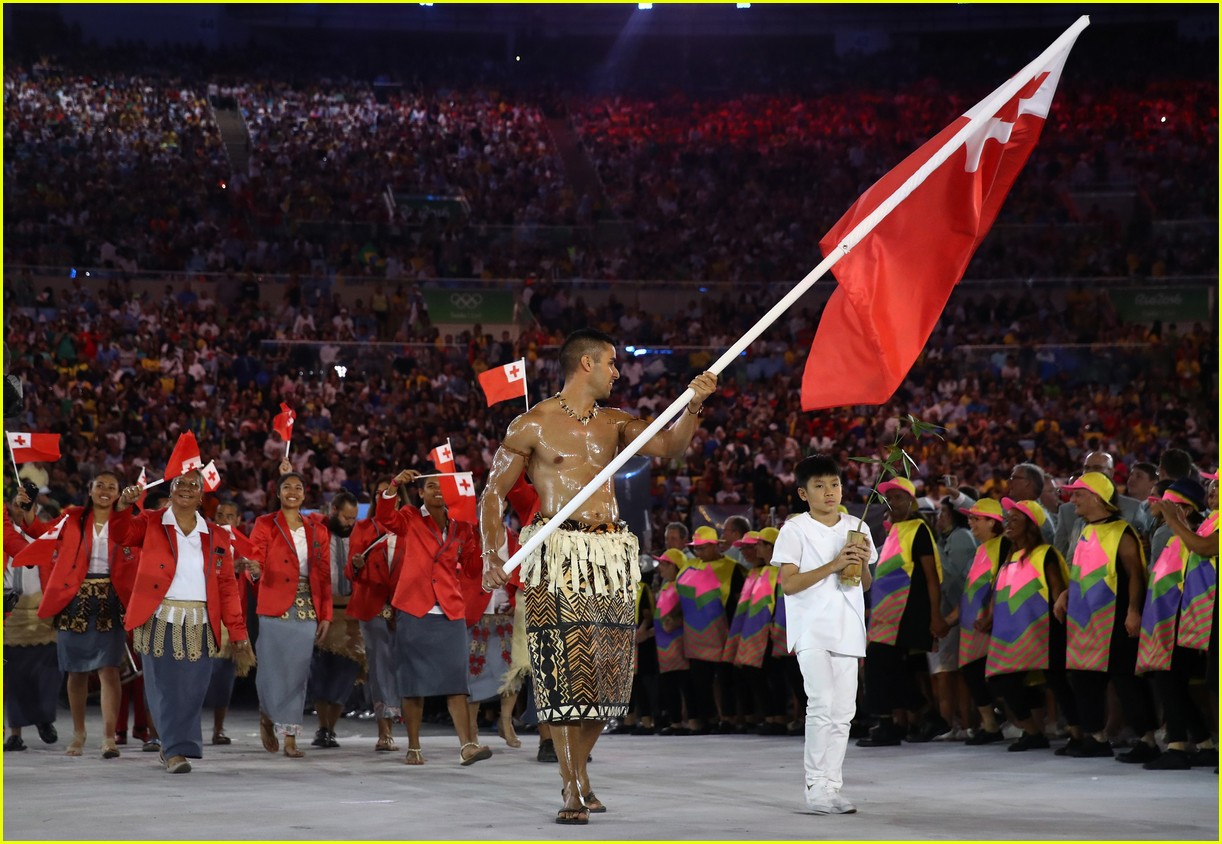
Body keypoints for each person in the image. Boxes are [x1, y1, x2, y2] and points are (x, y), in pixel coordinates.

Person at [480, 327, 717, 824]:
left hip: (609, 558)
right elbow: (492, 495)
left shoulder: (615, 423)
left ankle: (580, 773)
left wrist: (694, 404)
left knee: (605, 682)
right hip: (558, 555)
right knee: (565, 678)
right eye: (611, 363)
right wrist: (491, 554)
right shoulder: (532, 424)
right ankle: (571, 785)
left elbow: (670, 445)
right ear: (585, 363)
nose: (617, 371)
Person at [111, 471, 251, 773]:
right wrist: (122, 507)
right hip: (159, 618)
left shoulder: (217, 534)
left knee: (193, 690)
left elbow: (227, 585)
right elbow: (121, 535)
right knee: (164, 688)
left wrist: (238, 632)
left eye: (194, 486)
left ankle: (173, 746)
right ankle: (175, 751)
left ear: (203, 497)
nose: (186, 488)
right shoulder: (150, 522)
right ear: (171, 491)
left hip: (201, 622)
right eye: (180, 484)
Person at [771, 454, 876, 814]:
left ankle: (832, 786)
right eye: (819, 486)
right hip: (811, 627)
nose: (829, 492)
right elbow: (789, 584)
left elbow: (864, 584)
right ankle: (816, 787)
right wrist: (833, 563)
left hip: (848, 627)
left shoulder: (856, 527)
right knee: (822, 703)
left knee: (844, 711)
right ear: (803, 492)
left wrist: (858, 561)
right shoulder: (795, 530)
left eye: (834, 484)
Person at [376, 469, 490, 767]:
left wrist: (478, 536)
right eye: (430, 486)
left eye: (443, 486)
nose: (437, 490)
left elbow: (472, 569)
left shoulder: (461, 528)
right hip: (415, 610)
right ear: (421, 493)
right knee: (414, 684)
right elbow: (386, 519)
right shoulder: (411, 517)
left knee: (457, 683)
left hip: (450, 613)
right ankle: (413, 746)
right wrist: (393, 486)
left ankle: (467, 746)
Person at [35, 470, 136, 759]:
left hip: (111, 598)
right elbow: (40, 534)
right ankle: (78, 734)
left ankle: (109, 737)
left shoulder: (126, 518)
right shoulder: (72, 516)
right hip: (74, 598)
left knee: (109, 669)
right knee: (76, 669)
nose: (105, 490)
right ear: (89, 489)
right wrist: (26, 510)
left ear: (119, 492)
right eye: (99, 485)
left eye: (111, 486)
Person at [1054, 471, 1154, 760]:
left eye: (1078, 494)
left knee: (1125, 681)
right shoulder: (1085, 529)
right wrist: (1065, 595)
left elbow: (1136, 574)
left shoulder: (1121, 531)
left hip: (1116, 617)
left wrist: (1133, 611)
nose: (1073, 500)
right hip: (1085, 620)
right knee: (1085, 679)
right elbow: (1080, 572)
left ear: (1097, 497)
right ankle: (1095, 738)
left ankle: (1147, 740)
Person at [248, 467, 333, 759]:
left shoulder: (317, 528)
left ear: (305, 494)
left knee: (298, 673)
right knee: (271, 671)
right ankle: (266, 715)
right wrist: (255, 570)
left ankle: (290, 737)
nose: (293, 492)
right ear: (278, 493)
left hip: (306, 607)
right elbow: (254, 555)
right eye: (287, 487)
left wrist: (326, 615)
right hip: (273, 604)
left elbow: (323, 574)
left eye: (298, 487)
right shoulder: (265, 523)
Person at [857, 476, 946, 747]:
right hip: (887, 615)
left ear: (911, 501)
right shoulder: (892, 533)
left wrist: (935, 615)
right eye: (889, 498)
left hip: (907, 612)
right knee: (890, 668)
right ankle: (911, 718)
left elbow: (931, 576)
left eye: (898, 497)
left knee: (879, 662)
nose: (893, 503)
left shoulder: (918, 528)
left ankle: (893, 722)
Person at [984, 499, 1073, 753]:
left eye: (1015, 519)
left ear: (1031, 525)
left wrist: (1060, 611)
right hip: (1012, 637)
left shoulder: (1045, 554)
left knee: (1057, 683)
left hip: (1045, 630)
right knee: (1003, 681)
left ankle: (1078, 733)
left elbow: (1057, 589)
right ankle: (1033, 731)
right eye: (1007, 518)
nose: (1007, 523)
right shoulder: (1009, 556)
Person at [1137, 479, 1214, 769]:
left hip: (1177, 621)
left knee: (1171, 681)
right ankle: (1203, 742)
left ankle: (1178, 745)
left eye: (1164, 500)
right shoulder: (1169, 536)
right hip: (1165, 620)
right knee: (1172, 684)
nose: (1155, 503)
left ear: (1181, 507)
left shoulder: (1187, 537)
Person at [346, 478, 404, 752]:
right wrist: (357, 566)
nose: (385, 497)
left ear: (400, 499)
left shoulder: (412, 528)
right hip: (372, 606)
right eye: (380, 493)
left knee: (403, 667)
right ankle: (385, 731)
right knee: (380, 667)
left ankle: (410, 726)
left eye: (390, 493)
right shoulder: (363, 528)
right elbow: (350, 571)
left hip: (407, 608)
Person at [4, 491, 61, 752]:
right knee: (12, 677)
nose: (20, 509)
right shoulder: (4, 533)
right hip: (9, 611)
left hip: (42, 609)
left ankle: (43, 720)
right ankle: (14, 733)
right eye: (16, 505)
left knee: (46, 675)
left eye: (25, 505)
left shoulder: (45, 534)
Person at [678, 526, 745, 733]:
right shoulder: (689, 568)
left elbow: (738, 600)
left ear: (715, 546)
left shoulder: (733, 568)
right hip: (696, 632)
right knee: (700, 679)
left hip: (723, 630)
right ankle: (707, 718)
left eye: (703, 548)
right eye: (696, 549)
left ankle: (729, 717)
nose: (699, 553)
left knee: (725, 678)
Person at [308, 491, 361, 750]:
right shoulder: (316, 530)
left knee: (345, 674)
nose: (350, 522)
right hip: (322, 611)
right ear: (333, 510)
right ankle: (323, 727)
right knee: (321, 673)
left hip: (351, 612)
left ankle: (331, 728)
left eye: (353, 517)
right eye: (346, 516)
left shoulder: (360, 536)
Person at [956, 499, 1010, 745]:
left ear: (993, 522)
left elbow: (1001, 581)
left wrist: (990, 616)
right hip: (972, 625)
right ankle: (990, 724)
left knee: (1000, 675)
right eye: (970, 519)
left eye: (976, 519)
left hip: (992, 623)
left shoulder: (1004, 545)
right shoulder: (980, 549)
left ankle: (1020, 723)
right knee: (972, 672)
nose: (971, 523)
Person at [206, 500, 256, 746]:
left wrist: (248, 569)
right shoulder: (204, 540)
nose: (223, 519)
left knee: (224, 679)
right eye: (219, 514)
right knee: (198, 677)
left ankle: (218, 729)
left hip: (233, 620)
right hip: (205, 616)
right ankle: (188, 728)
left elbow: (257, 578)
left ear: (238, 520)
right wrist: (229, 568)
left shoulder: (245, 546)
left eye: (229, 515)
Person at [931, 497, 976, 740]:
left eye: (943, 513)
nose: (939, 518)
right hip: (947, 614)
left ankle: (959, 723)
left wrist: (934, 552)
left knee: (950, 672)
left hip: (954, 615)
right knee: (945, 672)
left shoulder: (960, 537)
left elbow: (955, 581)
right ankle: (954, 724)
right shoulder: (945, 539)